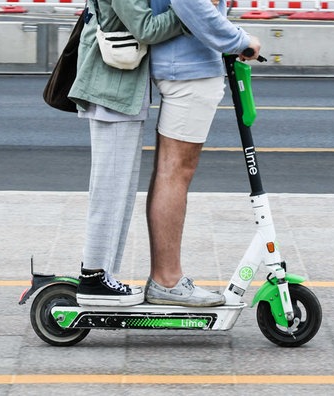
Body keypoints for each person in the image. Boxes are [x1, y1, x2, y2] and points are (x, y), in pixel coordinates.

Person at [144, 0, 262, 307]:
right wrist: (241, 40)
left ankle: (165, 278)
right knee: (175, 171)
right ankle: (167, 280)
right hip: (188, 69)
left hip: (182, 65)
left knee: (170, 171)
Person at [67, 0, 183, 306]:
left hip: (120, 91)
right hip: (110, 92)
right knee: (108, 192)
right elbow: (145, 28)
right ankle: (93, 276)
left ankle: (103, 275)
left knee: (119, 192)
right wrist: (187, 13)